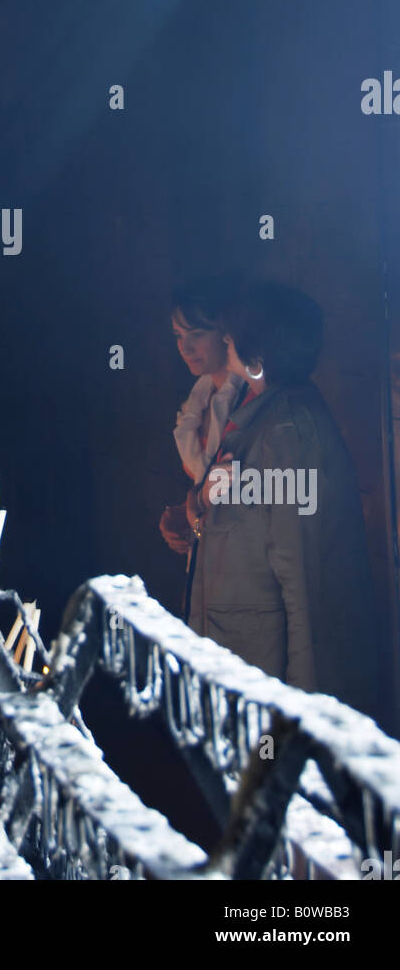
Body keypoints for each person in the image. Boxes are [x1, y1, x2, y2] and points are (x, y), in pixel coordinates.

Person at [174, 280, 378, 717]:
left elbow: (302, 580)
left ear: (259, 353)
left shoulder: (286, 432)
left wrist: (302, 717)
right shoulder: (260, 422)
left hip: (267, 684)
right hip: (246, 670)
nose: (224, 342)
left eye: (231, 335)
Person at [159, 276, 245, 563]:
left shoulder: (248, 402)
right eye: (178, 336)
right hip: (209, 567)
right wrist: (186, 520)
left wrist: (194, 513)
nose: (185, 347)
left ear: (226, 331)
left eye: (196, 333)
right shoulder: (200, 399)